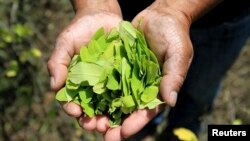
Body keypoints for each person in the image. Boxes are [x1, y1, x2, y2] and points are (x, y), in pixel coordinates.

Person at [47, 0, 250, 140]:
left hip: (223, 18)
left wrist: (177, 9)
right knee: (157, 97)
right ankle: (144, 131)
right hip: (129, 9)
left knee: (200, 89)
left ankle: (184, 127)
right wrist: (93, 5)